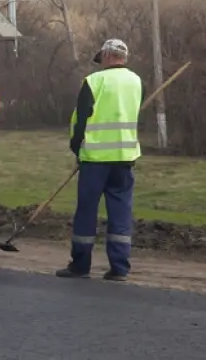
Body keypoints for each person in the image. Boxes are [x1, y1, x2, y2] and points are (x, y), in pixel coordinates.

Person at [57, 38, 143, 282]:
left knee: (86, 212)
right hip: (125, 159)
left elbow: (80, 121)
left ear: (106, 56)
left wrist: (76, 149)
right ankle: (119, 267)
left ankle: (81, 265)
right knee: (121, 213)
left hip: (95, 159)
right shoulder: (137, 82)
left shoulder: (94, 82)